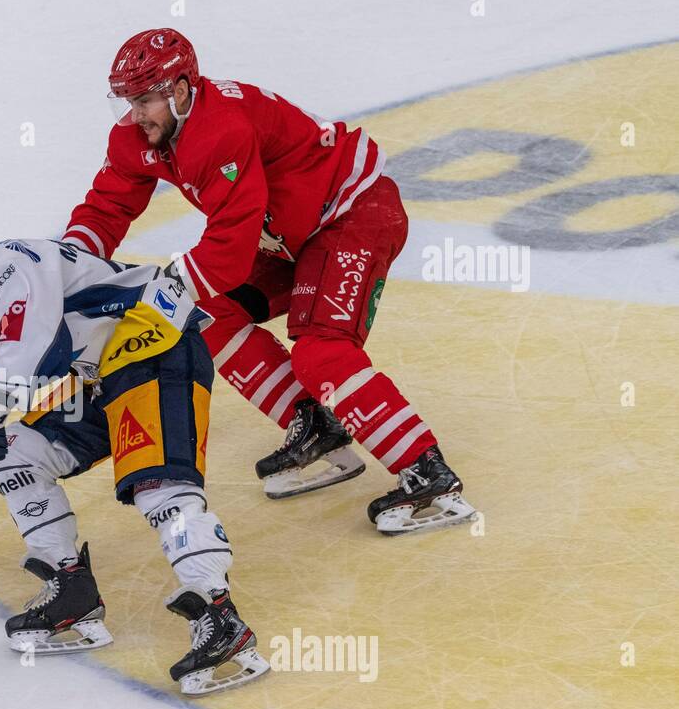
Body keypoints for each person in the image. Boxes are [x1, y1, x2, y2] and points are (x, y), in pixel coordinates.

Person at [62, 28, 478, 535]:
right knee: (205, 317)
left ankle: (426, 471)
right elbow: (108, 204)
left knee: (321, 350)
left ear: (182, 89)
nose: (135, 114)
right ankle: (316, 427)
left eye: (146, 99)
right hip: (285, 235)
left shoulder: (221, 131)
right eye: (127, 101)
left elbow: (230, 249)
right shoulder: (141, 133)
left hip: (351, 216)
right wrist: (69, 266)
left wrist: (162, 288)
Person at [0, 203, 269, 696]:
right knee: (15, 452)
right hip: (99, 374)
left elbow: (34, 354)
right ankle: (71, 588)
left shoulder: (9, 268)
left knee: (157, 486)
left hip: (153, 344)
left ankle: (223, 620)